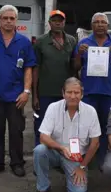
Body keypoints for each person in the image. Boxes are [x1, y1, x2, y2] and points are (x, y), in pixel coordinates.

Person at [0, 5, 37, 177]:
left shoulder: (24, 42)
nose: (9, 21)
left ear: (16, 21)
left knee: (16, 130)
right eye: (5, 18)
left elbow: (28, 68)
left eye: (12, 18)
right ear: (0, 19)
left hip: (16, 96)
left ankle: (17, 163)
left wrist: (26, 91)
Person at [32, 78, 101, 192]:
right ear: (63, 93)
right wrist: (61, 148)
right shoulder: (53, 108)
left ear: (82, 94)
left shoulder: (90, 111)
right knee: (39, 150)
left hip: (76, 158)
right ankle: (43, 187)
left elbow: (95, 143)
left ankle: (72, 174)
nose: (73, 96)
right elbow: (43, 136)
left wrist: (82, 167)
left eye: (76, 92)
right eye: (69, 92)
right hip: (55, 151)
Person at [73, 12, 111, 162]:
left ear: (108, 26)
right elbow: (76, 66)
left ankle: (102, 156)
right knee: (85, 125)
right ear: (92, 25)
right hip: (89, 92)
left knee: (106, 126)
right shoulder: (84, 43)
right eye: (97, 22)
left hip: (108, 92)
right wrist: (79, 54)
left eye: (103, 22)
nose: (100, 25)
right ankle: (83, 157)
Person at [32, 10, 77, 147]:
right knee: (42, 125)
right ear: (49, 23)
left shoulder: (72, 40)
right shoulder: (40, 42)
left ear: (64, 22)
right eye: (54, 20)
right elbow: (36, 68)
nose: (58, 23)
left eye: (60, 20)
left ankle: (65, 156)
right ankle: (40, 156)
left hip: (67, 93)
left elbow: (74, 67)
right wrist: (35, 95)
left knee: (67, 125)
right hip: (46, 91)